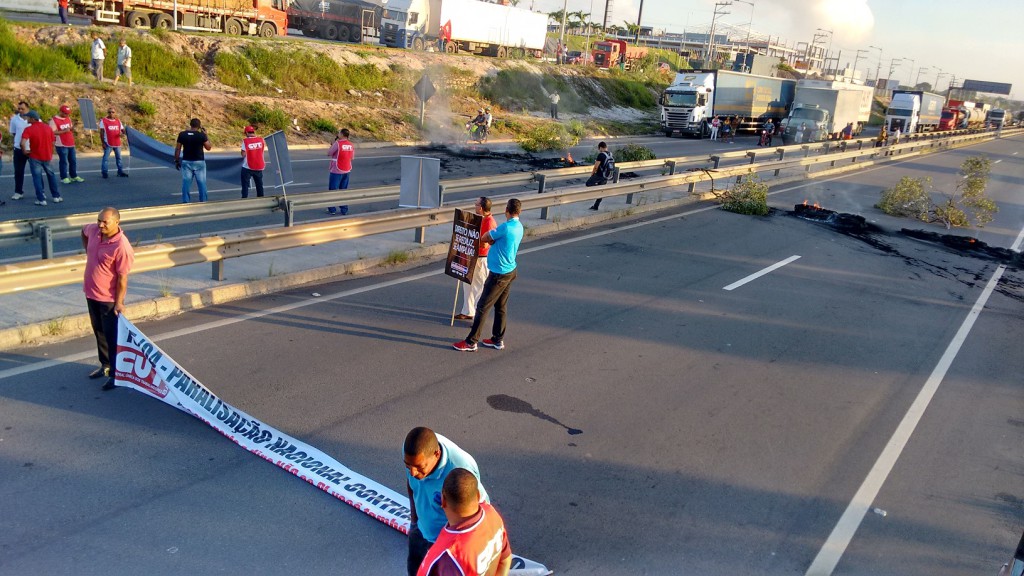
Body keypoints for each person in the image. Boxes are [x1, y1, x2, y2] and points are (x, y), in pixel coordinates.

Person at [404, 427, 490, 576]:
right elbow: (411, 484)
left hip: (446, 544)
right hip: (420, 531)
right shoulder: (413, 454)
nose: (413, 472)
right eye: (407, 466)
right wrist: (413, 522)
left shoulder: (460, 471)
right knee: (415, 570)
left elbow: (480, 509)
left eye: (419, 467)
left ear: (436, 454)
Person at [453, 198, 523, 351]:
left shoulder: (505, 227)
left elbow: (485, 238)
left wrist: (491, 241)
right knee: (501, 307)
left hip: (499, 273)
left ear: (507, 210)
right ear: (519, 211)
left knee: (482, 307)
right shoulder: (519, 226)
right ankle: (497, 339)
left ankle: (471, 342)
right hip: (510, 270)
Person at [416, 468, 511, 576]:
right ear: (478, 495)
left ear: (443, 501)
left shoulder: (448, 557)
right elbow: (505, 560)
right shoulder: (492, 515)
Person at [82, 207, 134, 392]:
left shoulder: (121, 246)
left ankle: (116, 374)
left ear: (117, 222)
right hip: (91, 293)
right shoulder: (94, 231)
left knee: (112, 338)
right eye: (99, 220)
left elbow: (123, 278)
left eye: (105, 222)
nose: (100, 224)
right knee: (99, 332)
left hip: (108, 299)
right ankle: (105, 365)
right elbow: (83, 230)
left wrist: (119, 302)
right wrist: (88, 251)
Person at [455, 196, 498, 321]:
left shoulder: (489, 222)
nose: (475, 206)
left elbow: (485, 243)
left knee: (479, 287)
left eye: (476, 205)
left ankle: (478, 316)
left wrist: (470, 241)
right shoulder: (479, 219)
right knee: (467, 284)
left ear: (482, 207)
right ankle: (468, 311)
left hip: (481, 258)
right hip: (472, 255)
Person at [21, 110, 62, 206]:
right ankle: (56, 196)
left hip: (35, 156)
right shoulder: (47, 128)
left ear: (32, 119)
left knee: (37, 178)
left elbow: (22, 142)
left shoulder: (29, 129)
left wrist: (24, 151)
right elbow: (52, 142)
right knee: (51, 176)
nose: (26, 119)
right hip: (47, 156)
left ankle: (41, 199)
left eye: (28, 117)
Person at [174, 118, 212, 203]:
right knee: (201, 183)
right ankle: (203, 201)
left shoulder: (182, 134)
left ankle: (186, 201)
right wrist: (206, 135)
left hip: (186, 161)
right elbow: (208, 147)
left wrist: (176, 160)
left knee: (186, 183)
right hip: (199, 161)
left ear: (190, 125)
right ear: (199, 126)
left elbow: (178, 149)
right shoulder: (201, 135)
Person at [51, 105, 84, 184]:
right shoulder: (54, 120)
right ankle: (64, 177)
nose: (67, 115)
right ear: (61, 111)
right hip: (61, 144)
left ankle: (73, 176)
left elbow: (70, 128)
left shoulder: (68, 118)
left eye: (68, 113)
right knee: (63, 161)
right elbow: (52, 132)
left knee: (73, 161)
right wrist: (64, 131)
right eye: (65, 113)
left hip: (70, 143)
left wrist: (72, 129)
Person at [326, 128, 354, 215]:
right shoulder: (350, 144)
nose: (338, 134)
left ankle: (332, 209)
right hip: (347, 169)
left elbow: (329, 153)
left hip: (336, 170)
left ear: (342, 134)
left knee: (333, 190)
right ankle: (344, 209)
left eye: (339, 133)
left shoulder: (337, 143)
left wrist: (332, 145)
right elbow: (352, 157)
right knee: (343, 190)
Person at [9, 101, 30, 201]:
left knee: (36, 171)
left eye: (22, 108)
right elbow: (13, 132)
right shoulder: (14, 119)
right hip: (18, 149)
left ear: (27, 108)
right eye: (19, 109)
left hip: (31, 149)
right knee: (18, 172)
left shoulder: (35, 118)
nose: (20, 110)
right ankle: (18, 192)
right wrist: (20, 141)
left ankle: (41, 192)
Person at [99, 107, 127, 178]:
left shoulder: (118, 121)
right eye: (109, 112)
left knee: (119, 158)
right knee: (105, 158)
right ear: (107, 113)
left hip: (117, 143)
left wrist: (123, 133)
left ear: (115, 113)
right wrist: (103, 142)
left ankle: (120, 172)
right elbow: (101, 132)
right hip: (108, 143)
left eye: (113, 112)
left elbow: (123, 130)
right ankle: (104, 172)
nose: (111, 113)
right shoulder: (104, 121)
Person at [240, 125, 266, 199]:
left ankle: (244, 199)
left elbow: (243, 154)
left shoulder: (246, 141)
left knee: (245, 185)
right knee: (259, 185)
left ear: (247, 133)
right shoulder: (261, 140)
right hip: (259, 166)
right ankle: (261, 198)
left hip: (248, 166)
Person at [586, 141, 612, 210]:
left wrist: (592, 173)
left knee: (588, 183)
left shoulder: (601, 155)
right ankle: (596, 206)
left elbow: (596, 166)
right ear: (606, 147)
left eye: (599, 149)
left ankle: (598, 188)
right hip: (607, 175)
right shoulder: (610, 154)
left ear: (600, 148)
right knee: (601, 191)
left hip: (599, 174)